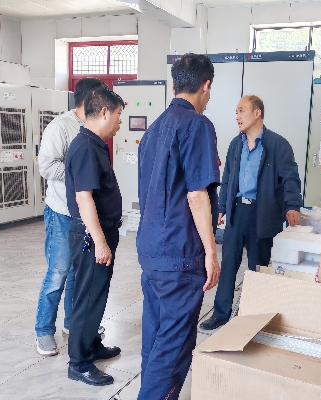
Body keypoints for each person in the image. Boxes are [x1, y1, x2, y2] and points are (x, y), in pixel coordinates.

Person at [136, 53, 221, 400]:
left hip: (152, 250)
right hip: (179, 254)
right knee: (173, 350)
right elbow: (196, 195)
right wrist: (211, 252)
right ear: (206, 85)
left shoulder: (153, 129)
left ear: (174, 85)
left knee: (156, 338)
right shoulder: (198, 125)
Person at [199, 95, 303, 332]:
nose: (237, 116)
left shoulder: (278, 145)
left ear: (257, 113)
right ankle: (221, 314)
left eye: (241, 111)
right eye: (236, 112)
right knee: (228, 265)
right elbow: (227, 179)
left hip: (264, 212)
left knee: (258, 268)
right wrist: (221, 207)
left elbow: (290, 178)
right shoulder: (236, 145)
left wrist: (292, 205)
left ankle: (253, 316)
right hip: (238, 211)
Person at [35, 78, 106, 356]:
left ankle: (70, 323)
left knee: (77, 272)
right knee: (58, 272)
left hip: (82, 214)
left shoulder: (93, 127)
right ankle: (44, 331)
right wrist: (79, 173)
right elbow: (46, 166)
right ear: (90, 99)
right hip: (61, 212)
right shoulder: (61, 126)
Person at [65, 86, 125, 386]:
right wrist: (100, 241)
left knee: (97, 294)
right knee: (87, 298)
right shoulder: (86, 147)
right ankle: (79, 362)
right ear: (104, 112)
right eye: (118, 114)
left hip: (100, 232)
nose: (120, 121)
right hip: (92, 237)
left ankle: (90, 344)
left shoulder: (94, 144)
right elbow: (84, 198)